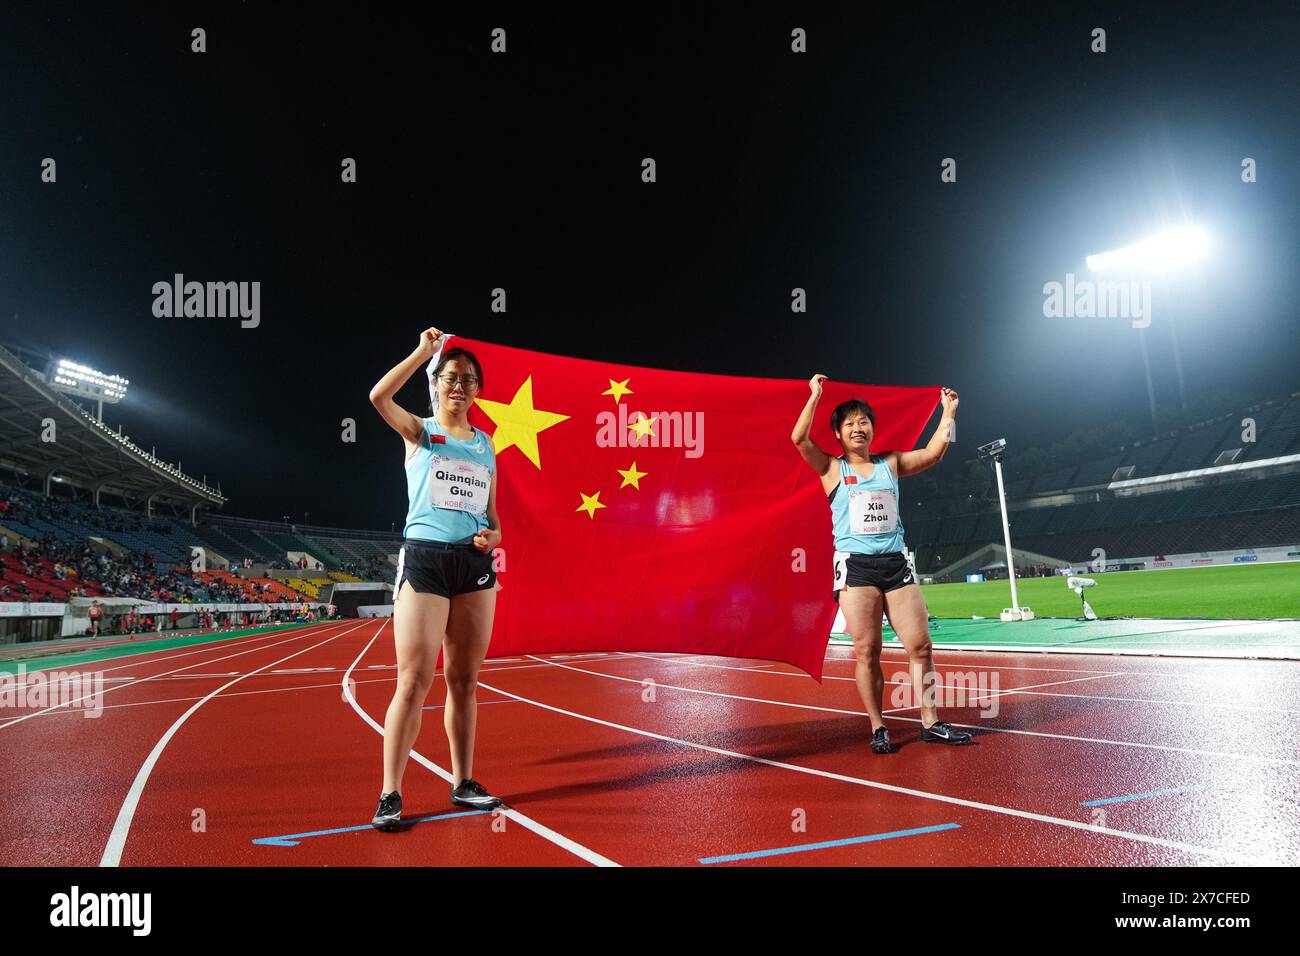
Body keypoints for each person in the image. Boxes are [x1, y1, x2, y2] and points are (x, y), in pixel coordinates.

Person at [367, 327, 503, 831]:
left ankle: (463, 782)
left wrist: (494, 537)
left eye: (468, 380)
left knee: (464, 682)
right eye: (450, 378)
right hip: (425, 561)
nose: (459, 386)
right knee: (413, 680)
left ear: (478, 390)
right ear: (437, 383)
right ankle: (390, 792)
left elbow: (495, 519)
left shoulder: (487, 446)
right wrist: (422, 353)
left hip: (472, 566)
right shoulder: (420, 432)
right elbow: (378, 396)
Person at [792, 376, 971, 754]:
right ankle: (878, 726)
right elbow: (799, 440)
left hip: (896, 565)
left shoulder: (890, 462)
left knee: (921, 647)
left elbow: (934, 453)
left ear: (873, 428)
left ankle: (930, 722)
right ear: (839, 434)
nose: (858, 428)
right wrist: (815, 396)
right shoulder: (830, 469)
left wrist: (949, 413)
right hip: (857, 569)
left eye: (864, 422)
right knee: (867, 650)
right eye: (850, 424)